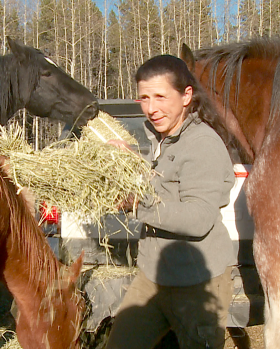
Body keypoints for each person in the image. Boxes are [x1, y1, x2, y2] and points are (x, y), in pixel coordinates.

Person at [105, 54, 236, 349]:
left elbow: (198, 218)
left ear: (186, 95)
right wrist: (131, 160)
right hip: (152, 277)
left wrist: (136, 204)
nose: (152, 109)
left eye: (161, 97)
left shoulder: (202, 144)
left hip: (197, 284)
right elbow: (165, 184)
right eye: (144, 98)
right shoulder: (159, 138)